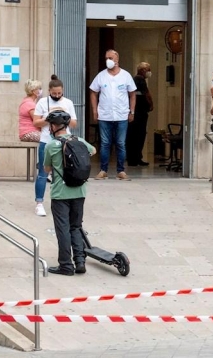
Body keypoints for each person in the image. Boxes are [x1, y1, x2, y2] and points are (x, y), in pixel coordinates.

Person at [43, 111, 96, 276]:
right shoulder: (79, 140)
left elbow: (46, 169)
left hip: (60, 193)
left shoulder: (51, 145)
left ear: (54, 126)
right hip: (79, 191)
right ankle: (80, 261)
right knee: (76, 226)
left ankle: (66, 265)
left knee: (63, 229)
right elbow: (93, 151)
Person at [33, 75, 78, 217]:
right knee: (43, 172)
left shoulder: (68, 103)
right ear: (49, 91)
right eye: (54, 93)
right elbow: (36, 122)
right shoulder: (42, 102)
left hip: (65, 141)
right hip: (47, 140)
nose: (57, 96)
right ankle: (39, 202)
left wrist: (63, 115)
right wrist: (49, 117)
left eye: (59, 93)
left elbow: (74, 123)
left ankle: (64, 200)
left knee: (65, 170)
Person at [89, 49, 137, 181]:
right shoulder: (101, 76)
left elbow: (132, 94)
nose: (107, 60)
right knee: (105, 143)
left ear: (117, 59)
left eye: (110, 58)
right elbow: (93, 92)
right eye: (106, 58)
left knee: (121, 143)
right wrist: (95, 110)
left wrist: (132, 111)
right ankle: (103, 170)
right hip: (105, 115)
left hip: (122, 115)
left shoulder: (126, 76)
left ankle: (121, 171)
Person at [126, 62, 154, 167]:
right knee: (138, 135)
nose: (149, 72)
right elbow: (146, 94)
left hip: (138, 111)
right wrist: (151, 104)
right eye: (148, 70)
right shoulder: (139, 80)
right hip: (139, 112)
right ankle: (135, 158)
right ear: (143, 70)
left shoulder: (135, 79)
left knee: (135, 135)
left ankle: (135, 157)